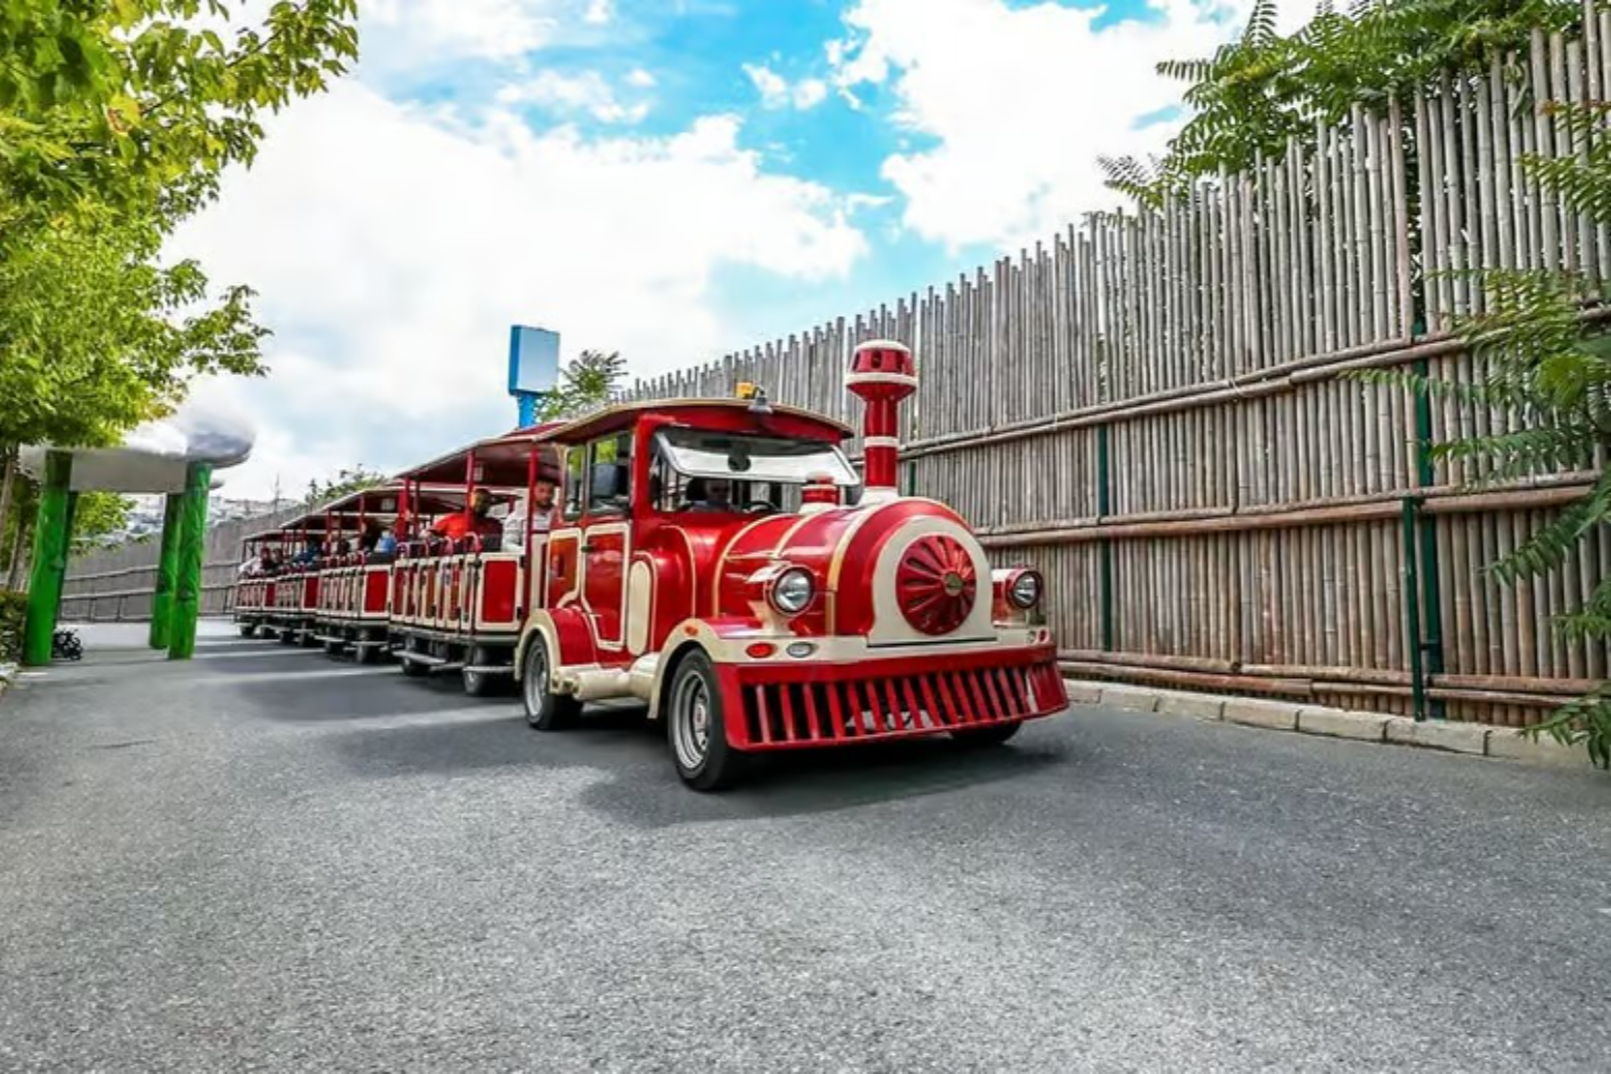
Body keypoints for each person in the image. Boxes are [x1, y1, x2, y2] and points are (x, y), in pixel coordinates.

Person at [502, 477, 558, 554]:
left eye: (550, 492)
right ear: (532, 491)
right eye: (541, 491)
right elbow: (507, 545)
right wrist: (528, 552)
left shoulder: (561, 515)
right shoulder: (517, 516)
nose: (546, 495)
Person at [432, 488, 502, 543]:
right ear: (469, 501)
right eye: (478, 500)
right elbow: (431, 535)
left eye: (485, 501)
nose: (480, 504)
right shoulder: (453, 518)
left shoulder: (495, 524)